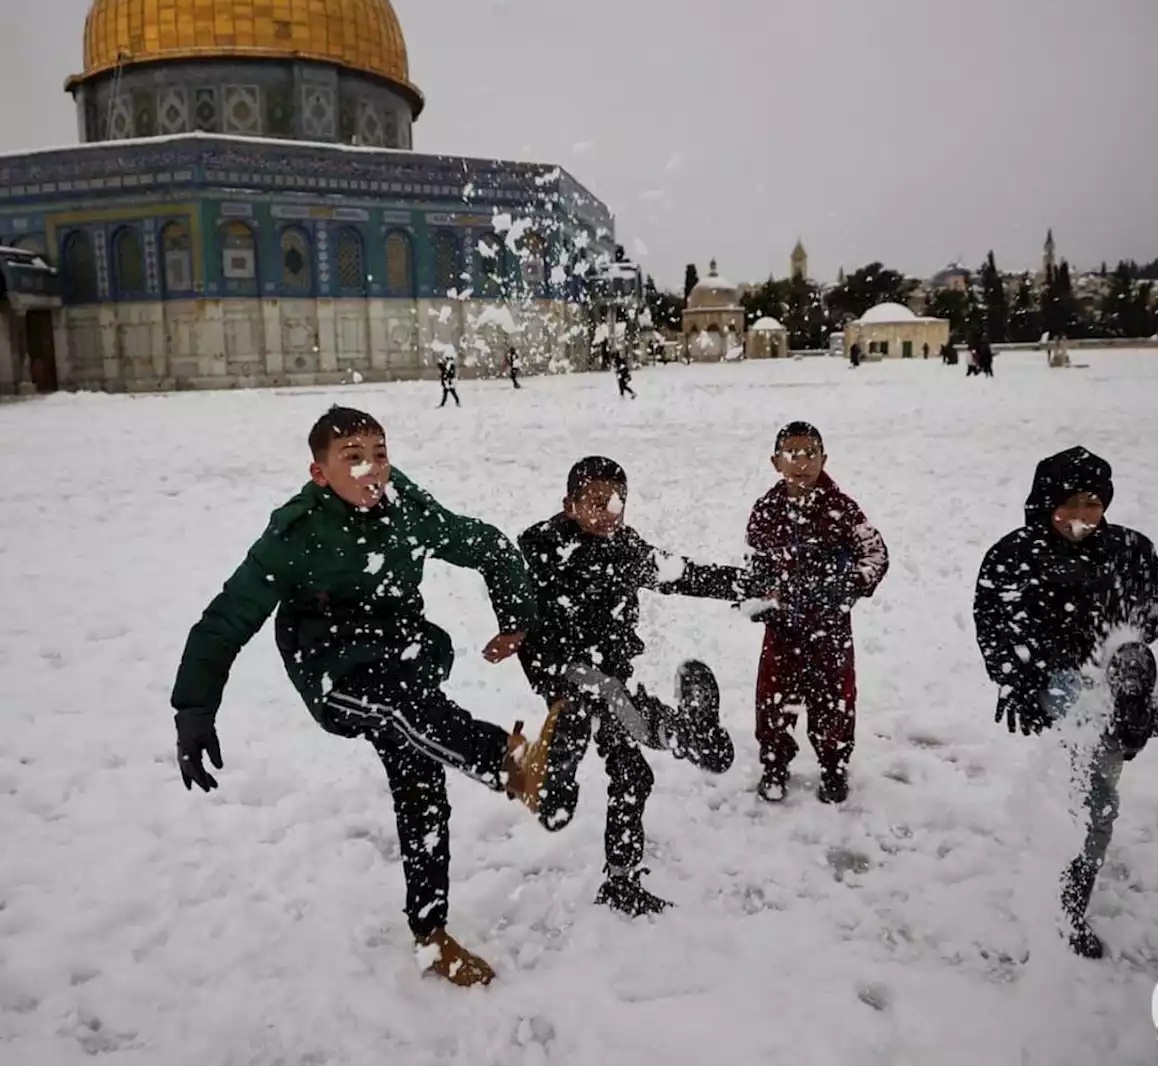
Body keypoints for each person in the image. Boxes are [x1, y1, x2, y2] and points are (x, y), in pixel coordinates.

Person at [169, 405, 565, 988]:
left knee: (422, 784)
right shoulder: (296, 533)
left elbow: (484, 544)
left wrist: (516, 619)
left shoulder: (404, 505)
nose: (372, 471)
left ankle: (432, 935)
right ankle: (511, 764)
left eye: (379, 455)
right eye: (353, 459)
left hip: (401, 654)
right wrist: (194, 709)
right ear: (320, 473)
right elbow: (226, 619)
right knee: (405, 713)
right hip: (331, 668)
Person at [497, 456, 760, 916]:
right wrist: (514, 634)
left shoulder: (625, 547)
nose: (609, 511)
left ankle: (621, 881)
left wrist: (746, 584)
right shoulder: (543, 549)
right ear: (569, 504)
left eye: (617, 501)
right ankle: (684, 733)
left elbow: (681, 574)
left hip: (610, 677)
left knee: (632, 775)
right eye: (595, 502)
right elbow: (514, 598)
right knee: (570, 778)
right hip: (567, 679)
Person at [973, 446, 1158, 958]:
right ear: (1046, 503)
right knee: (1093, 797)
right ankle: (1067, 911)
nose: (1083, 516)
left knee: (1116, 732)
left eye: (1093, 502)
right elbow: (993, 620)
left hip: (1116, 670)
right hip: (1055, 681)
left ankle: (1134, 712)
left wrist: (1127, 639)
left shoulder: (1129, 548)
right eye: (1070, 503)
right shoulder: (1016, 553)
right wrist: (1013, 679)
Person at [746, 422, 889, 804]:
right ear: (776, 462)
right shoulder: (766, 510)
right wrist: (761, 596)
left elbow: (876, 555)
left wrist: (850, 584)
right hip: (782, 629)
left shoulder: (841, 508)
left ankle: (834, 765)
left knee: (835, 700)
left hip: (830, 629)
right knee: (773, 700)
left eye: (811, 453)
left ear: (824, 458)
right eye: (792, 453)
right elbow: (754, 561)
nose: (802, 462)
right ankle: (775, 764)